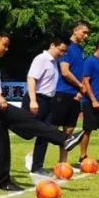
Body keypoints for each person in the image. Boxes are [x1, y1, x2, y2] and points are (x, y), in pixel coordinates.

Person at [0, 31, 83, 191]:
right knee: (27, 121)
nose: (7, 49)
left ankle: (3, 181)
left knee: (1, 143)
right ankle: (65, 139)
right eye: (4, 45)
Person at [24, 36, 70, 177]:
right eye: (61, 50)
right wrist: (33, 100)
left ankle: (37, 166)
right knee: (26, 132)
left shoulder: (54, 63)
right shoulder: (42, 59)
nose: (62, 54)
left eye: (65, 52)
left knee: (44, 134)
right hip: (38, 98)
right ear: (52, 45)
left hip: (49, 101)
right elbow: (31, 78)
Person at [51, 21, 92, 164]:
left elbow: (80, 72)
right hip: (62, 92)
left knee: (68, 130)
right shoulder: (66, 47)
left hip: (75, 95)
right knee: (51, 129)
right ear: (75, 30)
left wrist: (80, 90)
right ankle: (33, 157)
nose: (86, 36)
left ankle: (63, 163)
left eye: (87, 33)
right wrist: (80, 86)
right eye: (84, 32)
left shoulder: (80, 49)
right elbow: (65, 71)